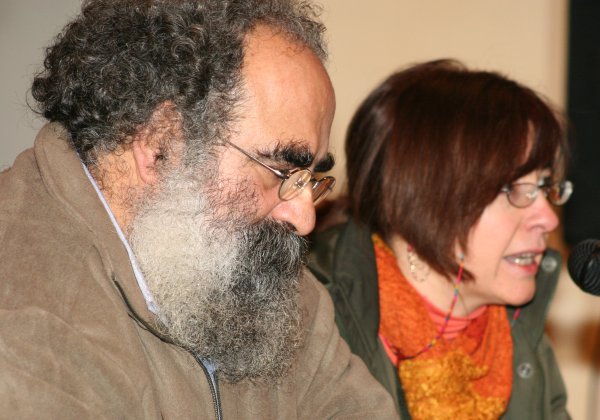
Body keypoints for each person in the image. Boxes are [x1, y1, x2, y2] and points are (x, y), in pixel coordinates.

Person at [0, 0, 398, 418]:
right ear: (160, 144)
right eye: (282, 172)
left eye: (310, 180)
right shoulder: (25, 317)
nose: (305, 218)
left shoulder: (272, 285)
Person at [308, 59, 573, 420]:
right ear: (420, 200)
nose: (548, 218)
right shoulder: (314, 326)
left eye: (543, 186)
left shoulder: (521, 334)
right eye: (513, 189)